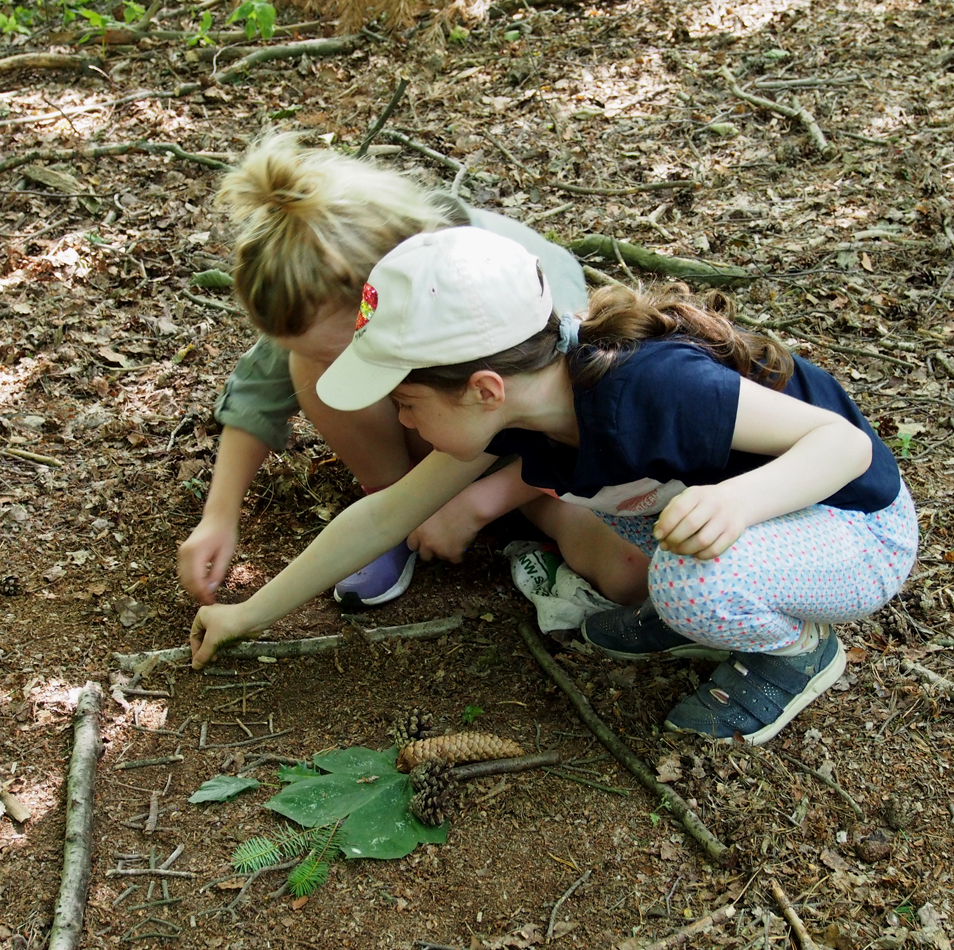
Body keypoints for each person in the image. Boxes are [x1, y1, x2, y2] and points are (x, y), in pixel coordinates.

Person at [187, 227, 918, 745]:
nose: (398, 417)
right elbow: (385, 515)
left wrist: (738, 501)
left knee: (689, 579)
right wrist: (249, 613)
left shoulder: (653, 389)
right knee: (658, 543)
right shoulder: (518, 414)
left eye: (405, 402)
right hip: (750, 528)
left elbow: (844, 446)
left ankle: (792, 650)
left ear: (482, 387)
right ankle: (699, 605)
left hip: (854, 528)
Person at [177, 133, 649, 611]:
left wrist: (481, 501)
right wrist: (219, 515)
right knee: (309, 364)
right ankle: (397, 508)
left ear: (376, 298)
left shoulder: (511, 288)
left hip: (533, 456)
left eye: (345, 348)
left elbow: (574, 420)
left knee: (629, 569)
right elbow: (259, 392)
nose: (333, 358)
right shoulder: (325, 297)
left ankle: (442, 509)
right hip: (447, 445)